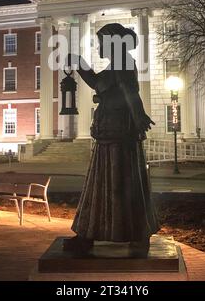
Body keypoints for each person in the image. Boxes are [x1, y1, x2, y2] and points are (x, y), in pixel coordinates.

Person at [63, 23, 159, 257]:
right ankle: (89, 234)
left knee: (121, 185)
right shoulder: (115, 66)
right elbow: (98, 83)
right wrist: (79, 62)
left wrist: (139, 116)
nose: (98, 47)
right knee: (102, 185)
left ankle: (135, 236)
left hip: (119, 136)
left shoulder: (124, 64)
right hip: (108, 134)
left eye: (101, 43)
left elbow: (130, 92)